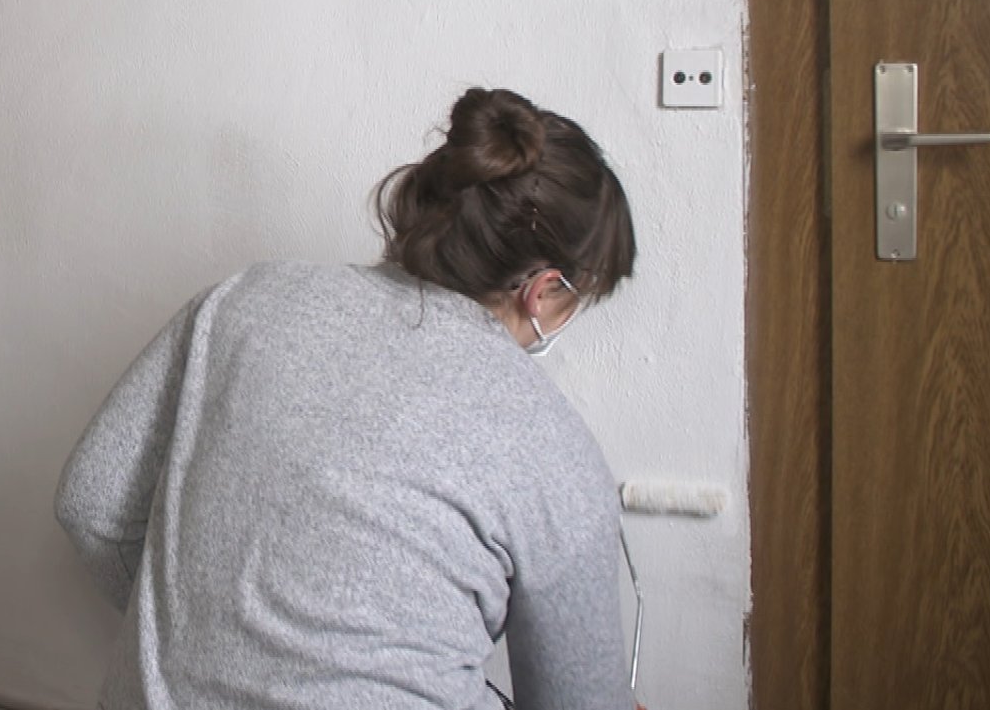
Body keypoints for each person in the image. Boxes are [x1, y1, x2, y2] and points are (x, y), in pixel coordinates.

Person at [56, 87, 641, 709]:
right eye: (579, 299)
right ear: (544, 291)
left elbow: (90, 503)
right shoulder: (553, 445)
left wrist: (202, 643)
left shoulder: (244, 299)